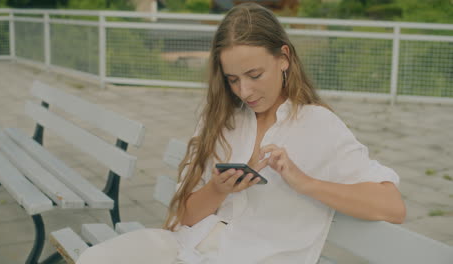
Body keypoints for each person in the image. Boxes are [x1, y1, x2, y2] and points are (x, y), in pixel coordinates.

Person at [77, 3, 406, 264]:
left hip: (253, 257)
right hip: (186, 247)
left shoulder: (319, 125)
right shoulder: (223, 120)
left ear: (283, 58)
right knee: (94, 258)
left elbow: (392, 207)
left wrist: (304, 182)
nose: (244, 91)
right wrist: (217, 190)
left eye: (254, 74)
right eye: (233, 79)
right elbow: (183, 217)